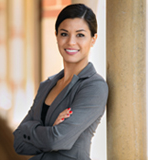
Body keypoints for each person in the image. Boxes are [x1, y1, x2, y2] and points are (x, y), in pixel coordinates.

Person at [13, 3, 108, 160]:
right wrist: (50, 130)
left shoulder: (94, 87)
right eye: (64, 34)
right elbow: (18, 142)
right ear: (56, 36)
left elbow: (55, 141)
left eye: (80, 35)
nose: (71, 42)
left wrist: (33, 129)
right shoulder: (46, 86)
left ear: (93, 39)